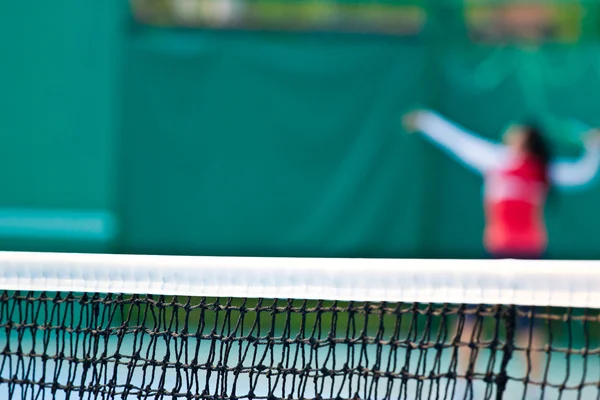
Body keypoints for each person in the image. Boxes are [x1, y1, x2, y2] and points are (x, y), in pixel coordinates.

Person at [403, 109, 600, 395]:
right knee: (470, 313)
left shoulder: (542, 169)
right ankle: (463, 378)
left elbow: (583, 173)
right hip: (496, 254)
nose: (510, 129)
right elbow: (458, 141)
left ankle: (535, 382)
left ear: (525, 138)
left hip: (529, 258)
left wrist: (594, 148)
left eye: (517, 128)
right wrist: (425, 120)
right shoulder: (495, 159)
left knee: (528, 322)